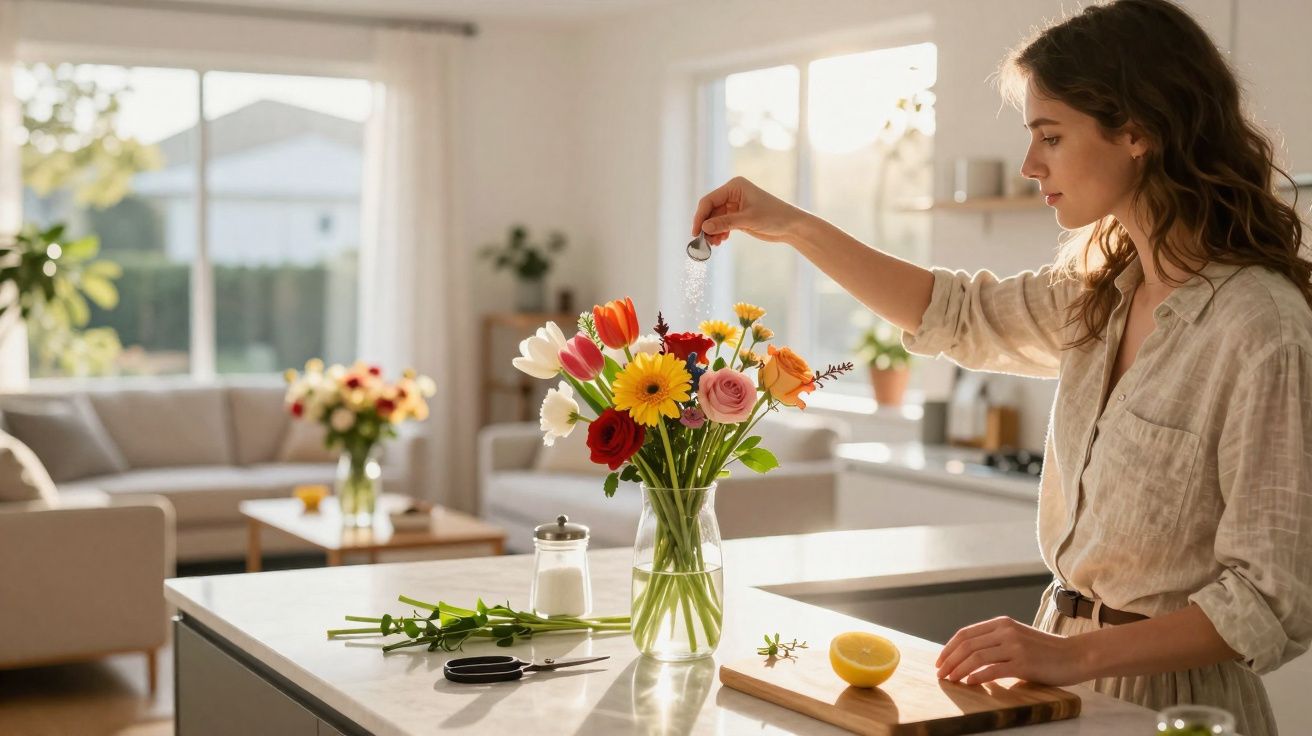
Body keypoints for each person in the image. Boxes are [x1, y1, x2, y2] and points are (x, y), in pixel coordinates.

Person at [690, 1, 1310, 732]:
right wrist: (791, 224)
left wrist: (1071, 658)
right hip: (1056, 690)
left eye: (1051, 136)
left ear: (1138, 130)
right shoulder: (1101, 298)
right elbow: (951, 312)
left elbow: (1273, 598)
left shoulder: (1262, 328)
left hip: (1178, 709)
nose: (1029, 165)